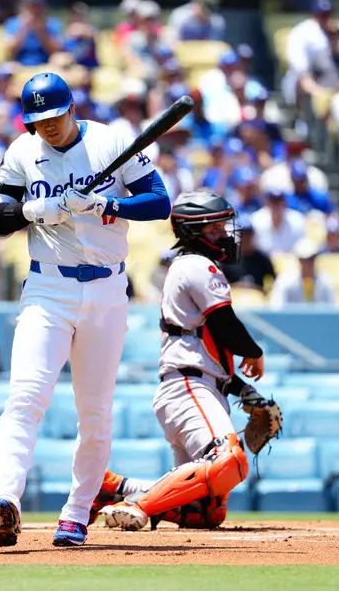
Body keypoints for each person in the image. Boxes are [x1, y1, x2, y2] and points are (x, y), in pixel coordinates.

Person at [0, 72, 171, 548]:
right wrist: (32, 212)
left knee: (95, 410)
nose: (47, 127)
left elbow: (160, 202)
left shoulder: (110, 141)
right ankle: (5, 501)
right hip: (49, 287)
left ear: (71, 108)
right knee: (25, 396)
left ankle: (77, 512)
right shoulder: (23, 151)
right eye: (37, 120)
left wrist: (109, 204)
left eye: (54, 117)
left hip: (107, 289)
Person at [96, 192, 272, 532]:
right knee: (230, 462)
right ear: (196, 231)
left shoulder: (189, 267)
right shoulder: (198, 266)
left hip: (195, 386)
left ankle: (114, 488)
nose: (225, 234)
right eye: (217, 227)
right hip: (190, 389)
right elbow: (224, 325)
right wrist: (254, 351)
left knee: (204, 512)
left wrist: (240, 388)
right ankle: (139, 506)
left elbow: (206, 344)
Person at [3, 0, 61, 66]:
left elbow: (55, 51)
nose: (35, 9)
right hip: (19, 65)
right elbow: (9, 51)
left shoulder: (53, 24)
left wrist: (41, 30)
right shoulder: (12, 23)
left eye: (39, 5)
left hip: (46, 66)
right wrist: (24, 28)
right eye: (31, 5)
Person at [270, 238, 336, 306]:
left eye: (311, 259)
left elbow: (331, 310)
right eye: (304, 260)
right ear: (298, 260)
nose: (307, 263)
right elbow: (277, 309)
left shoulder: (325, 282)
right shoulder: (284, 282)